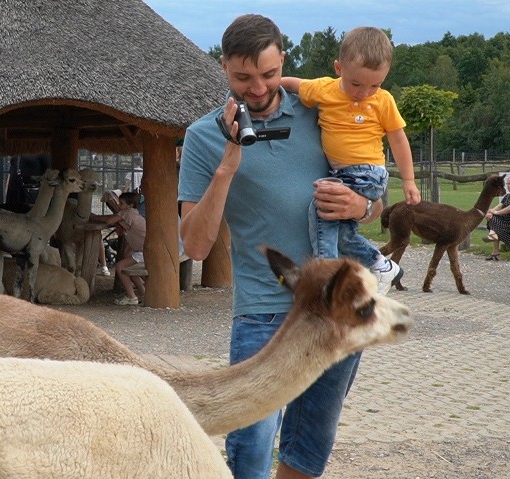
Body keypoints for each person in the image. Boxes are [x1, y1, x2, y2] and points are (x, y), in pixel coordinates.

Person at [178, 14, 380, 479]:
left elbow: (375, 207)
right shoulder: (203, 136)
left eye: (268, 75)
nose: (257, 87)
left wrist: (359, 204)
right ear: (224, 67)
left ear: (283, 62)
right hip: (264, 310)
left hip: (338, 302)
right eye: (242, 78)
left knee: (311, 443)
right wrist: (227, 166)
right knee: (250, 446)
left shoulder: (323, 111)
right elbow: (196, 244)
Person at [280, 26, 417, 293]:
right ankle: (383, 266)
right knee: (343, 234)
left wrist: (409, 180)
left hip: (366, 173)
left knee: (322, 208)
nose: (365, 92)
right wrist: (271, 83)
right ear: (339, 67)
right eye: (356, 84)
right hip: (347, 173)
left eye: (375, 85)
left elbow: (398, 140)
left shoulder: (384, 101)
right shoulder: (324, 89)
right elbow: (295, 84)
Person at [90, 192, 146, 305]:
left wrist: (93, 217)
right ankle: (144, 293)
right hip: (143, 250)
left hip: (143, 252)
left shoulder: (126, 213)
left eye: (121, 203)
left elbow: (109, 220)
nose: (119, 205)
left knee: (120, 267)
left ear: (130, 205)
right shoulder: (133, 213)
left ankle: (131, 297)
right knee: (129, 268)